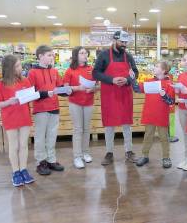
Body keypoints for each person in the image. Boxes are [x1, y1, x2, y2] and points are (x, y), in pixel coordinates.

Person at [93, 30, 138, 165]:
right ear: (115, 40)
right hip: (109, 95)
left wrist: (127, 79)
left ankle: (129, 151)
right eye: (121, 42)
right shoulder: (104, 55)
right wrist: (111, 80)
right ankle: (109, 153)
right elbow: (96, 73)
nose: (124, 45)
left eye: (126, 42)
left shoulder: (128, 56)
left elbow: (135, 72)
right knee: (109, 125)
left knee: (127, 125)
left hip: (125, 94)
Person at [28, 45, 71, 175]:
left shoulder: (54, 71)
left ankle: (51, 160)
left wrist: (66, 91)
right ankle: (41, 162)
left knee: (52, 136)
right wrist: (47, 93)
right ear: (40, 56)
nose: (52, 57)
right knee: (40, 137)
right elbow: (31, 92)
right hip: (41, 109)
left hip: (54, 108)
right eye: (49, 55)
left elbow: (59, 88)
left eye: (52, 55)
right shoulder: (32, 72)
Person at [0, 55, 35, 186]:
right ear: (9, 68)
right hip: (10, 118)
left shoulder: (25, 81)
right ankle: (15, 172)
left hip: (24, 117)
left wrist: (32, 96)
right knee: (14, 145)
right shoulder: (1, 84)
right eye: (17, 66)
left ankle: (23, 169)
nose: (20, 68)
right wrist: (9, 102)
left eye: (19, 65)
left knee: (23, 145)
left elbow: (30, 97)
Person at [131, 61, 175, 168]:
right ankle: (145, 155)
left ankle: (166, 157)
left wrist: (164, 96)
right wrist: (132, 79)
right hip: (149, 114)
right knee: (148, 136)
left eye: (156, 66)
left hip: (162, 115)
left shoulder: (169, 84)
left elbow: (171, 101)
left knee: (164, 137)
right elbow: (137, 89)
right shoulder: (149, 81)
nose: (154, 68)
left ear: (164, 70)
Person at [63, 46, 98, 169]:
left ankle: (85, 153)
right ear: (76, 55)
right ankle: (77, 156)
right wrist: (77, 88)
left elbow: (97, 86)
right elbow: (65, 89)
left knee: (86, 129)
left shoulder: (91, 69)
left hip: (88, 102)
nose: (85, 55)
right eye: (82, 53)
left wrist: (93, 88)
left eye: (85, 53)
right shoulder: (69, 71)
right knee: (78, 129)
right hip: (75, 102)